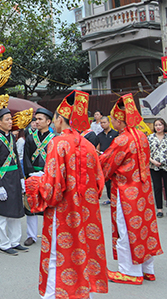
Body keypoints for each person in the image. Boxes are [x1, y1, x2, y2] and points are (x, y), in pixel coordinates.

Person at [25, 90, 108, 299]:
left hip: (62, 213)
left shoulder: (58, 143)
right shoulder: (88, 145)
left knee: (56, 255)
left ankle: (54, 294)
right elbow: (99, 183)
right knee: (81, 252)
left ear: (60, 119)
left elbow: (52, 188)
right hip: (85, 211)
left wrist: (35, 184)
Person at [100, 94, 163, 285]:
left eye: (113, 119)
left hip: (126, 190)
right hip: (143, 190)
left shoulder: (122, 140)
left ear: (119, 120)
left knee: (126, 229)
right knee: (144, 227)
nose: (112, 121)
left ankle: (130, 271)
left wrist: (97, 159)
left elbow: (108, 164)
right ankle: (147, 269)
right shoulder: (142, 136)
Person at [0, 108, 25, 256]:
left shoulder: (11, 137)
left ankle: (15, 241)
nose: (11, 122)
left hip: (14, 177)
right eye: (7, 119)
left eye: (11, 119)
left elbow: (16, 157)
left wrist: (21, 178)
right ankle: (4, 243)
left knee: (15, 211)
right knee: (3, 213)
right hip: (3, 179)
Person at [21, 108, 55, 247]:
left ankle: (51, 235)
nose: (37, 122)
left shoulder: (55, 139)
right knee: (30, 206)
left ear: (48, 122)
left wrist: (47, 173)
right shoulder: (30, 138)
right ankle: (31, 235)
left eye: (40, 119)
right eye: (36, 119)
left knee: (50, 206)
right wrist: (30, 174)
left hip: (48, 175)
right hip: (33, 175)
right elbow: (26, 157)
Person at [147, 118, 167, 219]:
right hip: (154, 166)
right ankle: (159, 209)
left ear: (164, 126)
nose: (158, 127)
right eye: (156, 125)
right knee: (157, 187)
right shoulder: (150, 138)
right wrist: (153, 161)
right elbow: (146, 152)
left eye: (160, 125)